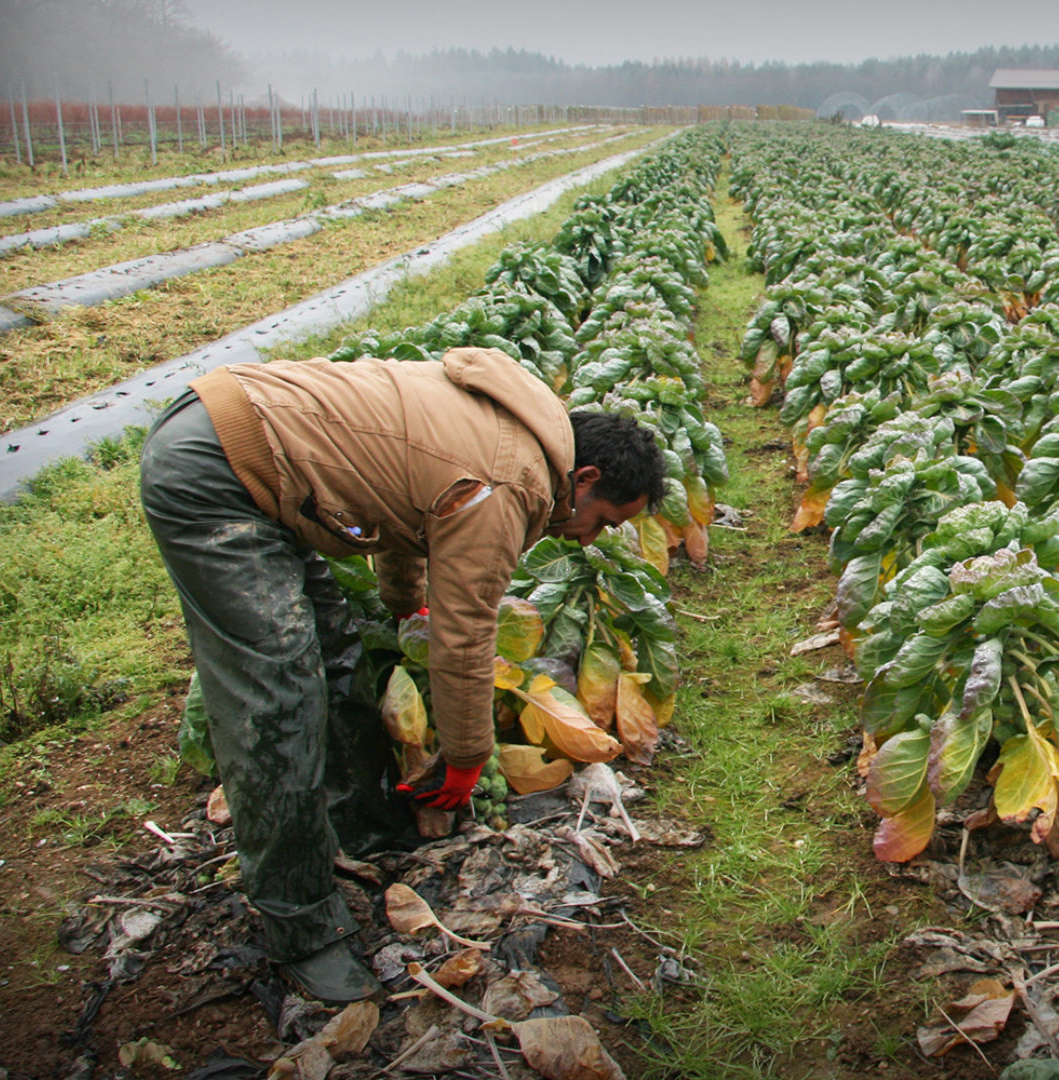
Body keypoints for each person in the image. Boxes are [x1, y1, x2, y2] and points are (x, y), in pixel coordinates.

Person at [139, 346, 666, 1002]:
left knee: (337, 655)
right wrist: (468, 757)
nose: (588, 539)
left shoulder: (517, 428)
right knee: (277, 698)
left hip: (249, 442)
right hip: (218, 470)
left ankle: (356, 821)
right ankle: (302, 928)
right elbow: (463, 633)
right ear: (583, 477)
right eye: (603, 521)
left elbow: (402, 512)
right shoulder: (513, 478)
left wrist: (402, 608)